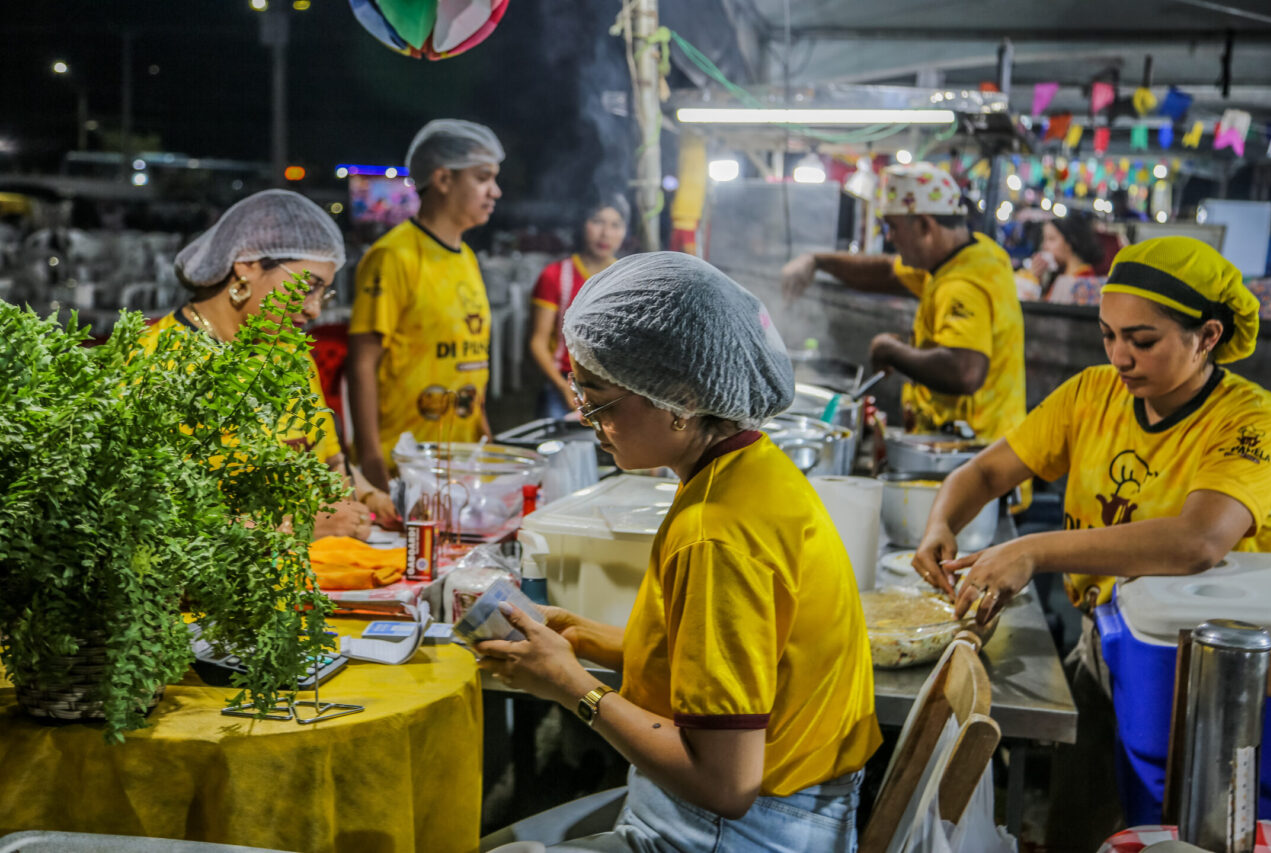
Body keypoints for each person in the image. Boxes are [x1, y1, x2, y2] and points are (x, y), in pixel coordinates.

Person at [476, 252, 881, 851]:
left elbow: (725, 784)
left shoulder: (715, 532)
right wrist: (580, 637)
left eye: (598, 399)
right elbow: (713, 661)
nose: (585, 417)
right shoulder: (752, 466)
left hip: (740, 829)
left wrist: (571, 686)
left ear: (681, 398)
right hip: (792, 807)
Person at [913, 236, 1271, 849]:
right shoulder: (1092, 394)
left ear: (1208, 336)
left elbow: (1197, 540)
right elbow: (984, 472)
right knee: (1077, 824)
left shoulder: (1250, 421)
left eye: (1142, 341)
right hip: (1103, 643)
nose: (1119, 357)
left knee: (1182, 831)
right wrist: (939, 525)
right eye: (1108, 335)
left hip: (1198, 670)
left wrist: (1032, 551)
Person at [139, 189, 397, 541]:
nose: (314, 309)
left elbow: (328, 461)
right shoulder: (160, 363)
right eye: (307, 287)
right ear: (247, 264)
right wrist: (298, 526)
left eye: (323, 293)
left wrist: (367, 497)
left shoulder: (290, 354)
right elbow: (151, 521)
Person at [780, 162, 1025, 445]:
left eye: (892, 226)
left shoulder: (962, 285)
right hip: (965, 444)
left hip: (975, 451)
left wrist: (890, 350)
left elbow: (965, 372)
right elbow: (886, 271)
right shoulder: (972, 254)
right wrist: (816, 261)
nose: (889, 237)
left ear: (924, 225)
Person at [347, 119, 504, 491]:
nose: (495, 191)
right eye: (482, 178)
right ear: (444, 179)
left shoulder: (467, 258)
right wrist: (371, 458)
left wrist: (482, 430)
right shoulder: (393, 256)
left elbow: (470, 357)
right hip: (403, 463)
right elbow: (362, 363)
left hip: (460, 459)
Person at [528, 195, 629, 420]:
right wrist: (563, 387)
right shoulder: (555, 276)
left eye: (615, 225)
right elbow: (538, 342)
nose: (605, 233)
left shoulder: (627, 280)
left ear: (624, 231)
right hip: (564, 382)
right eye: (597, 221)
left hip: (615, 386)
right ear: (582, 224)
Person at [1015, 214, 1105, 303]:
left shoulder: (1082, 280)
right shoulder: (1059, 277)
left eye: (1051, 239)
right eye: (1044, 239)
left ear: (1070, 242)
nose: (1044, 246)